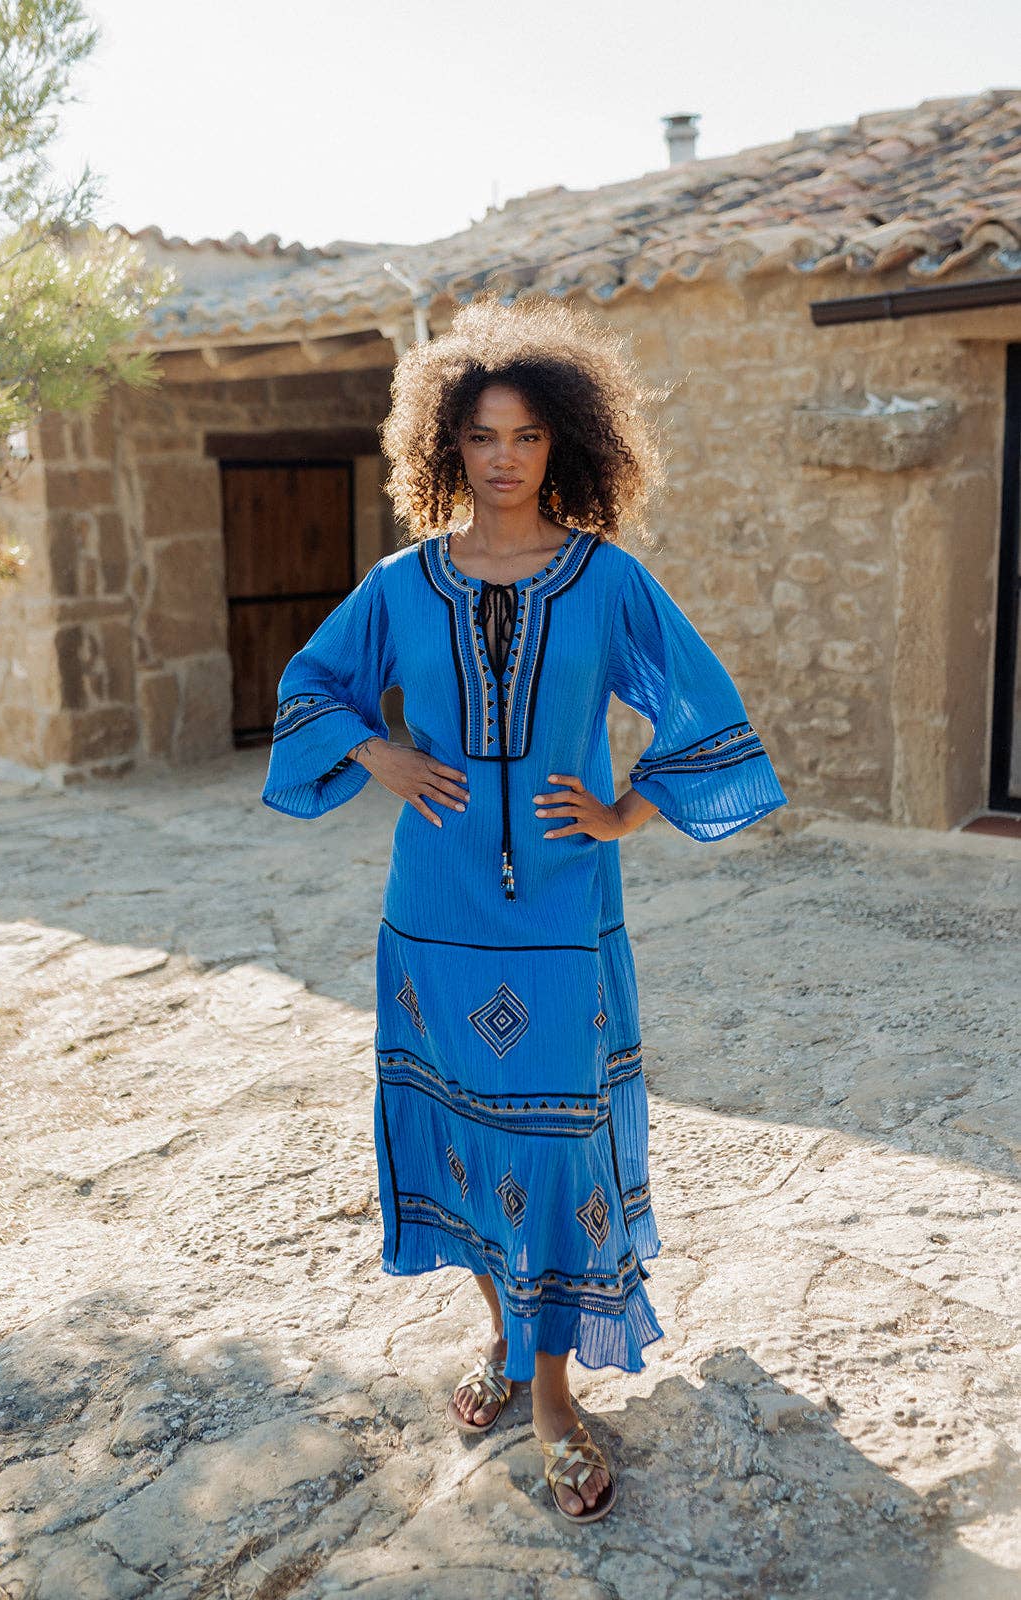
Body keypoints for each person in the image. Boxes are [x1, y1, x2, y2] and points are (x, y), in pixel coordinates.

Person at [260, 293, 788, 1524]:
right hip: (433, 913)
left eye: (526, 436)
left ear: (564, 444)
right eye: (480, 436)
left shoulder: (606, 581)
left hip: (559, 912)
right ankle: (503, 1338)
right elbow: (310, 689)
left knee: (554, 1144)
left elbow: (701, 707)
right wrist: (379, 752)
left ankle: (551, 1393)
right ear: (444, 444)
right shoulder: (401, 585)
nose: (502, 458)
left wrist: (626, 809)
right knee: (461, 1128)